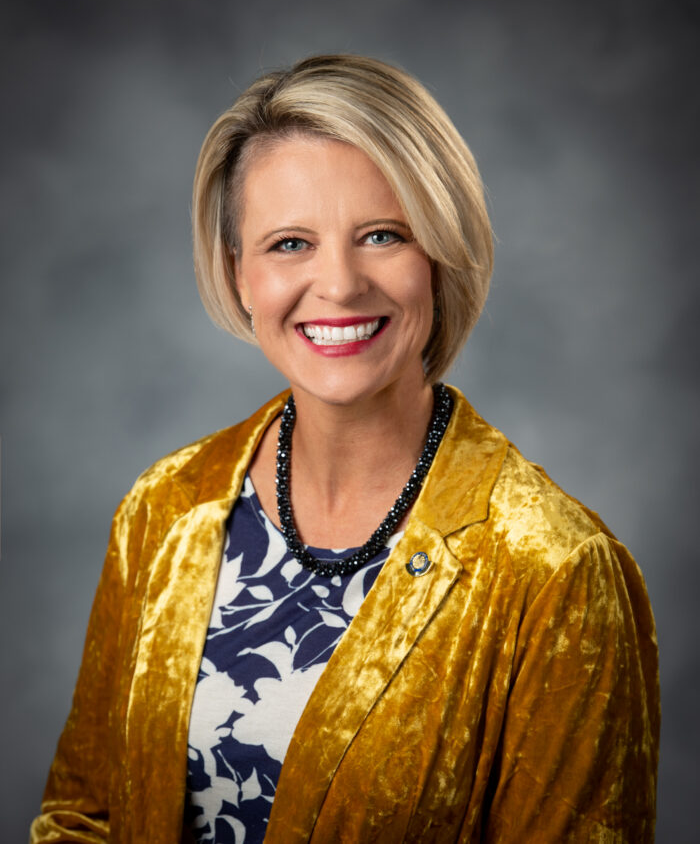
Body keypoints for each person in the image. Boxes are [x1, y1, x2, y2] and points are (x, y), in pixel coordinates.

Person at [30, 54, 659, 843]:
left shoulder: (555, 572)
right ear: (238, 272)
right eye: (289, 242)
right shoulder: (165, 507)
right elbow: (83, 816)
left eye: (382, 235)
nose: (338, 283)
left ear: (438, 252)